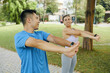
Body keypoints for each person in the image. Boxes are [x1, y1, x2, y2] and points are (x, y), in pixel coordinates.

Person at [14, 10, 80, 73]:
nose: (39, 21)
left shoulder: (41, 34)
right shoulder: (19, 36)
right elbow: (38, 43)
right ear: (29, 20)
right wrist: (65, 50)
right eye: (36, 18)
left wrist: (72, 44)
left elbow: (54, 39)